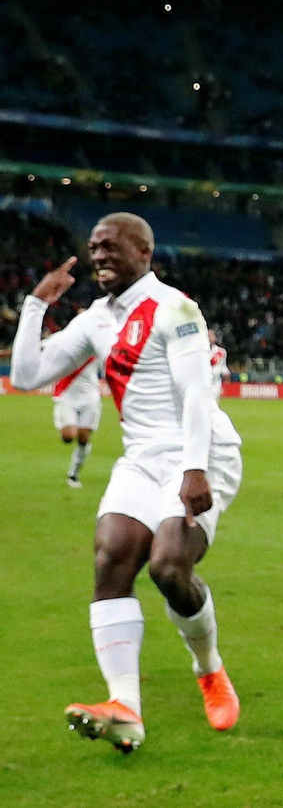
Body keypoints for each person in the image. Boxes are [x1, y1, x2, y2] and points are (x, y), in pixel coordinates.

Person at [9, 213, 244, 753]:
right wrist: (35, 306)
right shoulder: (96, 319)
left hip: (201, 450)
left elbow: (193, 394)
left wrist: (194, 468)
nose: (99, 256)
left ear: (143, 251)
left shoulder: (175, 308)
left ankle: (208, 669)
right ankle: (125, 709)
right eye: (93, 248)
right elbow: (26, 375)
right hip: (142, 458)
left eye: (111, 246)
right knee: (112, 556)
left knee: (167, 566)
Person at [51, 349, 102, 488]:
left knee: (83, 438)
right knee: (68, 436)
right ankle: (65, 428)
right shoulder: (65, 347)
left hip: (90, 397)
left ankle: (73, 475)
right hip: (67, 395)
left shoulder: (96, 348)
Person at [207, 330, 229, 400]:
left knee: (213, 404)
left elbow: (223, 367)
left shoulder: (221, 352)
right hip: (203, 381)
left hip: (216, 382)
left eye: (211, 336)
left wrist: (226, 374)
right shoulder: (201, 352)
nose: (209, 338)